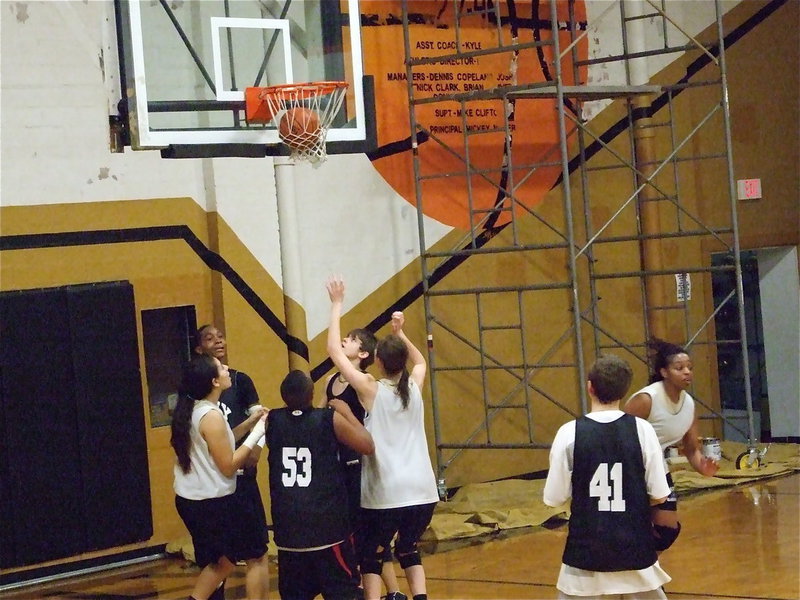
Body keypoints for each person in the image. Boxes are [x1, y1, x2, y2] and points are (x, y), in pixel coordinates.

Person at [326, 276, 439, 600]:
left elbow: (334, 350)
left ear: (376, 361)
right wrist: (400, 333)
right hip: (423, 491)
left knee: (372, 556)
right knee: (408, 549)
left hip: (387, 493)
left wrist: (336, 305)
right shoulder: (414, 388)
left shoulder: (371, 390)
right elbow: (419, 361)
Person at [543, 355, 672, 600]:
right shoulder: (642, 430)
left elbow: (554, 498)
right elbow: (660, 494)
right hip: (635, 549)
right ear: (625, 391)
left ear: (589, 387)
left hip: (585, 551)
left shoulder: (569, 432)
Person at [265, 369, 375, 600]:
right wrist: (347, 414)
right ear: (312, 393)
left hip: (288, 533)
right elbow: (367, 445)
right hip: (326, 529)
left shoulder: (271, 421)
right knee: (345, 592)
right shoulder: (327, 419)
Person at [170, 354, 268, 600]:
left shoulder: (199, 409)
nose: (227, 369)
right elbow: (228, 465)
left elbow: (220, 442)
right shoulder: (210, 416)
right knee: (223, 563)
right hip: (207, 504)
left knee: (216, 563)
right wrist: (258, 432)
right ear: (214, 381)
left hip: (194, 500)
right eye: (221, 368)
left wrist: (249, 423)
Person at [321, 327, 406, 600]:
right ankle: (362, 585)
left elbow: (369, 429)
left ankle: (392, 591)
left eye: (352, 339)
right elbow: (322, 419)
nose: (344, 340)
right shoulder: (330, 379)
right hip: (338, 464)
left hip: (361, 463)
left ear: (364, 353)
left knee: (370, 532)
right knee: (349, 529)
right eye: (344, 337)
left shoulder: (366, 381)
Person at [194, 324, 270, 599]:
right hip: (215, 486)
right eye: (210, 339)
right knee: (218, 561)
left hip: (238, 481)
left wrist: (255, 449)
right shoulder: (201, 403)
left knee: (252, 553)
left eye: (221, 336)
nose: (218, 341)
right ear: (199, 349)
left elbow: (259, 419)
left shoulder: (240, 381)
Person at [623, 338, 719, 552]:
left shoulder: (690, 405)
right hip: (629, 468)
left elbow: (692, 449)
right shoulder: (647, 399)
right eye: (679, 368)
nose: (687, 372)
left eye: (689, 368)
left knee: (666, 531)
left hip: (657, 469)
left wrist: (703, 467)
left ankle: (645, 575)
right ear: (664, 372)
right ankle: (641, 578)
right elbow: (615, 435)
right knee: (634, 528)